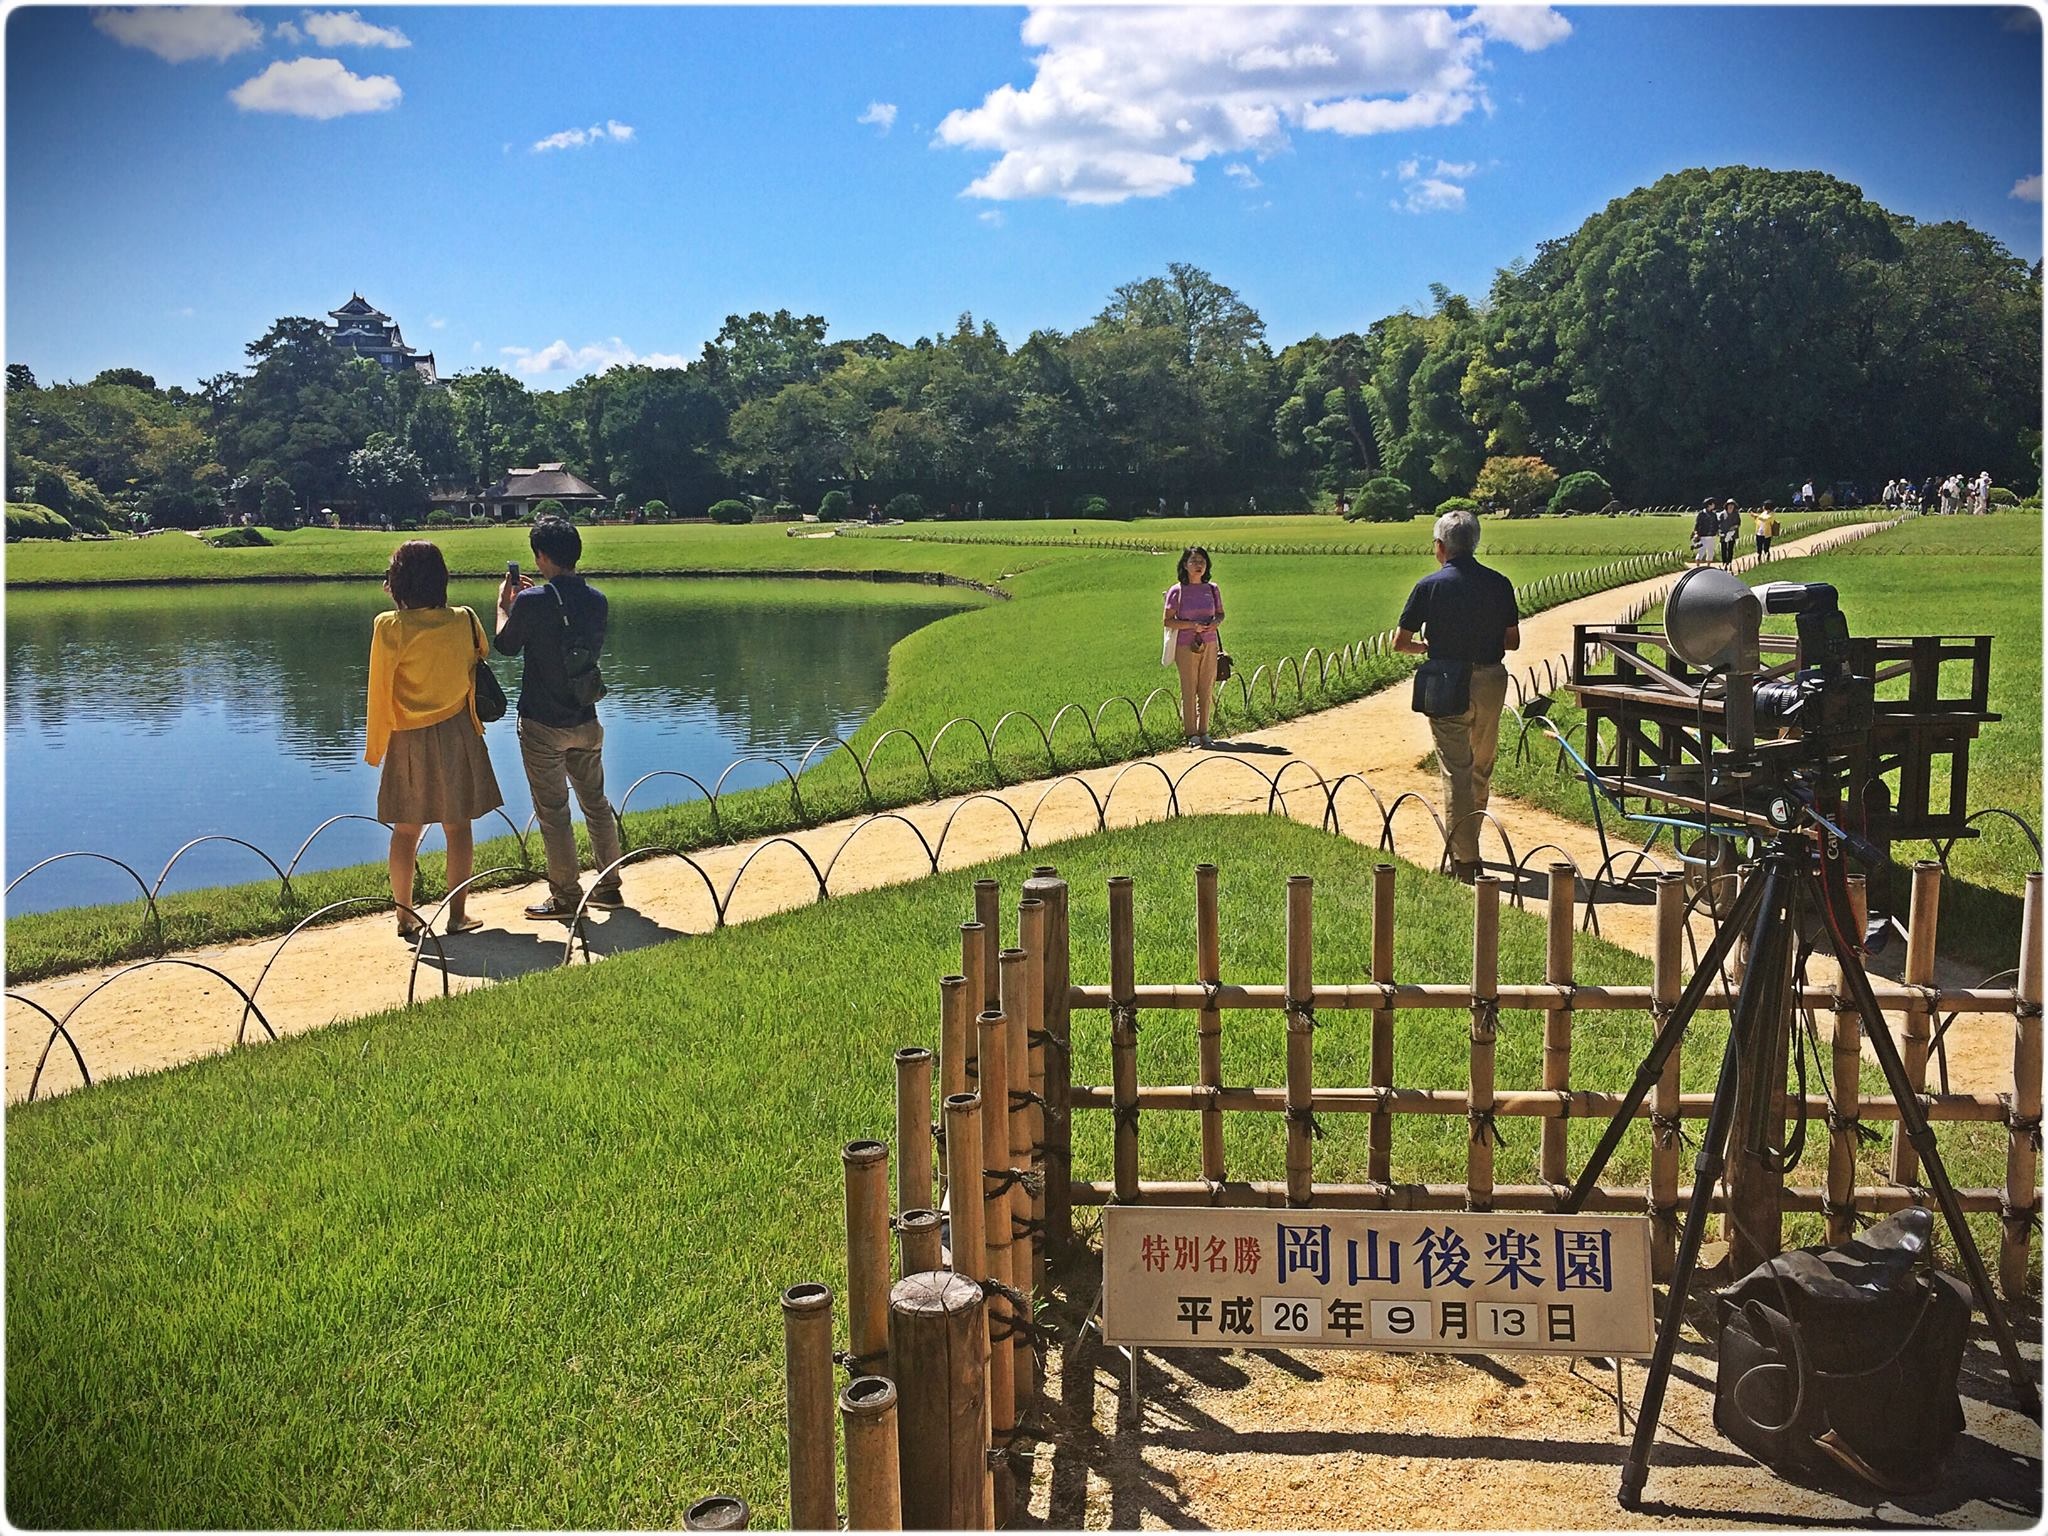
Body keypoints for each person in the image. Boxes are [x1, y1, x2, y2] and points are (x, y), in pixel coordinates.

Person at [365, 540, 505, 939]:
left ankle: (404, 916)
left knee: (406, 829)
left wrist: (376, 747)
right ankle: (457, 914)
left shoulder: (389, 626)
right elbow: (481, 652)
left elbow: (379, 688)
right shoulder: (464, 619)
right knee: (457, 826)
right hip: (457, 729)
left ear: (397, 582)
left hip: (407, 735)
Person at [495, 516, 625, 919]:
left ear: (542, 556)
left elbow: (505, 646)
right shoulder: (597, 600)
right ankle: (609, 886)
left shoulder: (531, 602)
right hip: (585, 718)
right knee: (596, 804)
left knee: (554, 812)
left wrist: (504, 605)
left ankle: (567, 896)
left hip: (542, 723)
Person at [1394, 510, 1519, 882]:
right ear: (1475, 543)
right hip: (1491, 679)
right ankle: (1472, 839)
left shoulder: (1429, 586)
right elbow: (1512, 641)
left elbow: (1400, 642)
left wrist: (1427, 646)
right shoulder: (1499, 583)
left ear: (1440, 546)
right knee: (1481, 764)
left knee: (1456, 769)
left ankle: (1464, 859)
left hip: (1448, 680)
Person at [1163, 546, 1225, 749]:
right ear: (1185, 565)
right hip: (1186, 645)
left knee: (1206, 686)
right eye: (1194, 561)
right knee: (1189, 687)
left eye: (1202, 561)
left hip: (1209, 642)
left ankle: (1204, 730)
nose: (1198, 565)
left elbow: (1221, 613)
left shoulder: (1212, 589)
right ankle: (1191, 732)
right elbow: (1168, 621)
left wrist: (1215, 622)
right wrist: (1192, 625)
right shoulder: (1177, 591)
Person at [1718, 499, 1741, 564]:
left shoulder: (1736, 514)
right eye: (1729, 505)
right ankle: (1724, 562)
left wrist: (1734, 526)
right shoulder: (1722, 514)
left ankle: (1729, 562)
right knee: (1723, 548)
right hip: (1724, 533)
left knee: (1730, 548)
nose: (1731, 506)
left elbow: (1738, 523)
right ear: (1727, 506)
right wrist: (1719, 531)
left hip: (1732, 534)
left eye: (1732, 505)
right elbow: (1718, 523)